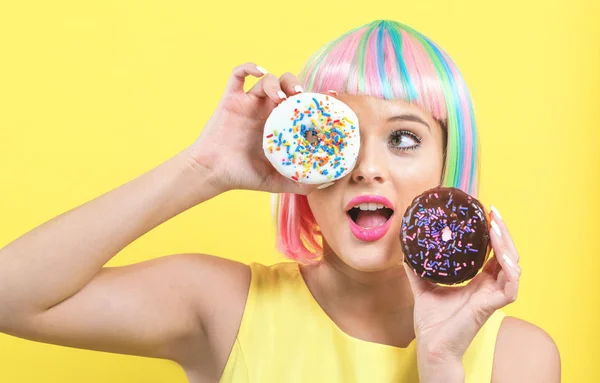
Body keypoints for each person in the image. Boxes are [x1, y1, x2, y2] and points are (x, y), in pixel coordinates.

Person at [0, 20, 560, 382]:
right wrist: (203, 170)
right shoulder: (223, 308)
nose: (366, 167)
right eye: (336, 135)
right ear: (300, 164)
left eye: (403, 138)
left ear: (446, 169)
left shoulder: (518, 359)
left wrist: (440, 365)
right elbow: (10, 296)